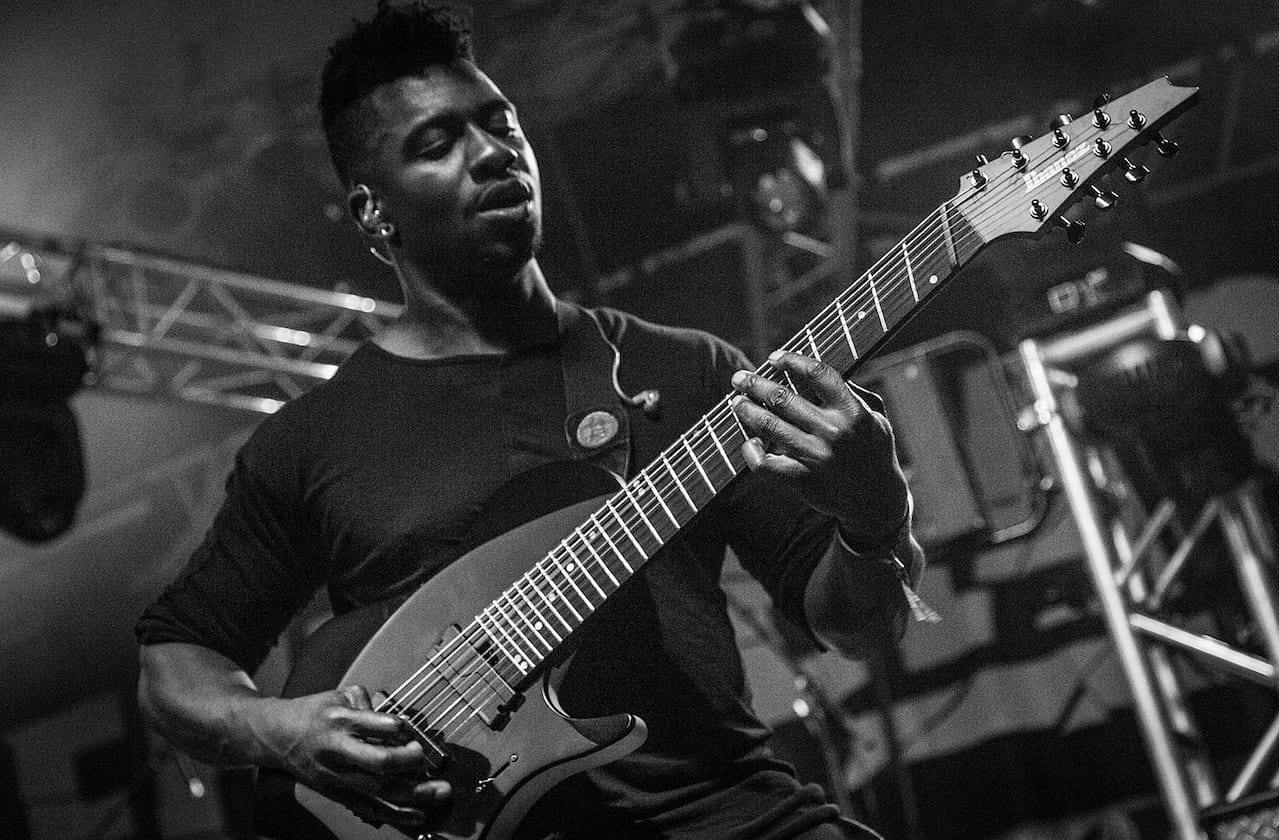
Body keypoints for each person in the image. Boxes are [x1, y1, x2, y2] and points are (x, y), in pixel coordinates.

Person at [135, 3, 927, 839]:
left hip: (726, 816)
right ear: (373, 213)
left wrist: (876, 514)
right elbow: (176, 667)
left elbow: (860, 629)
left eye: (499, 124)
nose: (491, 154)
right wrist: (284, 732)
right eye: (438, 144)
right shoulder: (307, 443)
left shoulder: (685, 371)